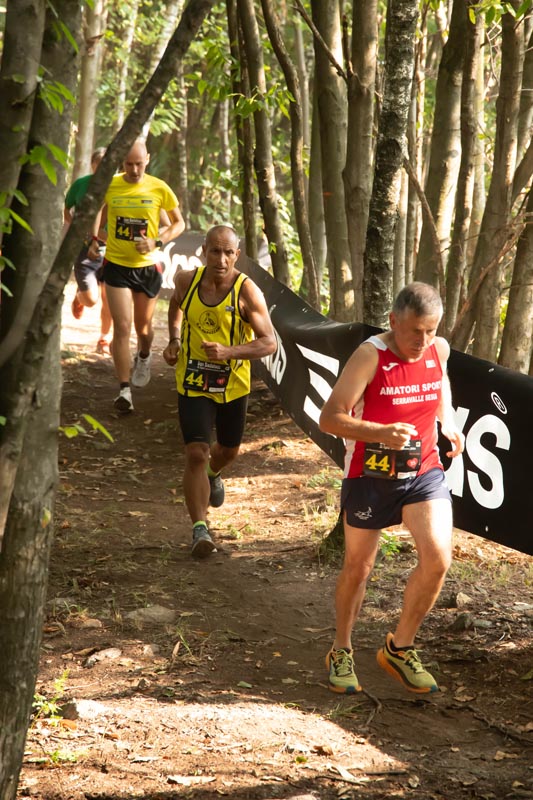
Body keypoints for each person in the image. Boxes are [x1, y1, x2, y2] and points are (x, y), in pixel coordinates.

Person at [319, 282, 464, 695]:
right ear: (393, 321)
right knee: (359, 567)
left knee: (438, 559)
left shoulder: (439, 349)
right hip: (370, 474)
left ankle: (399, 648)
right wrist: (380, 432)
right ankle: (341, 649)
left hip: (423, 469)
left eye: (431, 330)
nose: (423, 340)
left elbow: (440, 385)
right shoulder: (370, 355)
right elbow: (330, 418)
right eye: (415, 331)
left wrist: (449, 421)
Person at [163, 224, 277, 559]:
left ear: (237, 255)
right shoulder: (186, 281)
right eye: (215, 251)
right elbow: (176, 305)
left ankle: (214, 474)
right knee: (196, 453)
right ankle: (200, 529)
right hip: (193, 380)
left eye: (228, 253)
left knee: (227, 451)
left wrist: (229, 352)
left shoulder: (247, 291)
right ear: (204, 252)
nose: (221, 259)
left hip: (232, 384)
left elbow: (269, 342)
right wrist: (174, 339)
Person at [87, 139, 185, 413]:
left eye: (139, 164)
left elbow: (179, 223)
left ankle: (143, 355)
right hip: (117, 264)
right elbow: (96, 211)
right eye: (129, 164)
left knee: (144, 328)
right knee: (122, 326)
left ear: (147, 160)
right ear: (122, 163)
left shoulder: (159, 187)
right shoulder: (111, 184)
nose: (134, 170)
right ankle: (124, 391)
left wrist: (156, 241)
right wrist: (94, 238)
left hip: (147, 267)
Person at [64, 148, 112, 354]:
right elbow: (66, 209)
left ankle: (104, 339)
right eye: (98, 164)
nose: (102, 168)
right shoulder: (81, 184)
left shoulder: (118, 186)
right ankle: (80, 296)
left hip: (112, 249)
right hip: (85, 247)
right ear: (92, 165)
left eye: (107, 164)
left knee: (108, 298)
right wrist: (78, 228)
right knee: (92, 299)